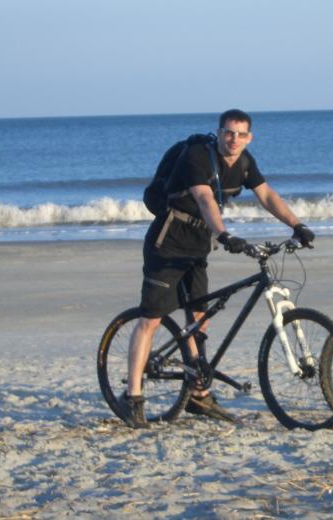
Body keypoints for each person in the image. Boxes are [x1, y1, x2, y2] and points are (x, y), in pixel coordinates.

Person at [118, 109, 315, 428]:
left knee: (200, 321)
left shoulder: (245, 162)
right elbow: (205, 198)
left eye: (240, 134)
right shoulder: (197, 157)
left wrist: (298, 225)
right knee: (151, 320)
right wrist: (224, 233)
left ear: (249, 137)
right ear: (219, 132)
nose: (234, 139)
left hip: (198, 245)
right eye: (228, 132)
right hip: (167, 243)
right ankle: (133, 398)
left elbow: (266, 195)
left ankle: (198, 393)